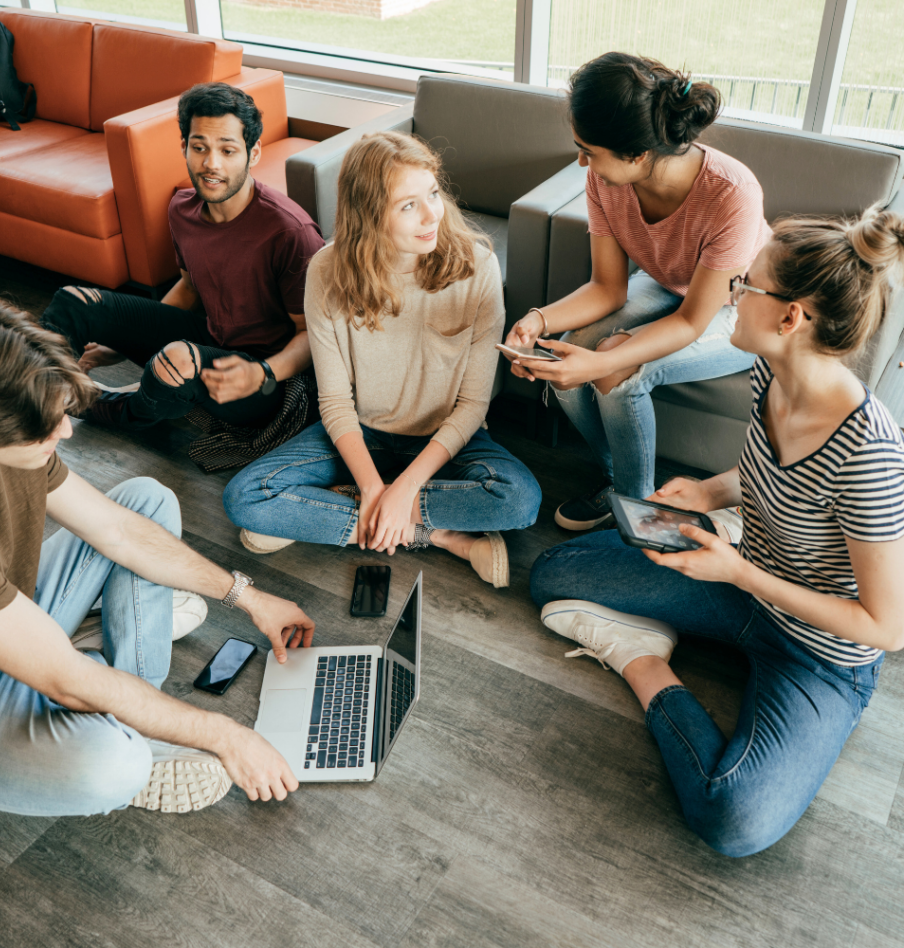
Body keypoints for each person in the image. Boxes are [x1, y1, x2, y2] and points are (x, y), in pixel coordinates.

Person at [529, 207, 904, 856]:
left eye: (746, 286)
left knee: (736, 821)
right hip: (740, 581)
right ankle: (664, 620)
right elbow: (764, 469)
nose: (732, 295)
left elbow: (885, 628)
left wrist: (739, 572)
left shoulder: (871, 456)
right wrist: (710, 490)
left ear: (791, 318)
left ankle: (641, 661)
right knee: (552, 574)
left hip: (817, 653)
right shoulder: (773, 369)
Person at [0, 295, 317, 835]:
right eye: (48, 426)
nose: (65, 432)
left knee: (146, 501)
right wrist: (224, 734)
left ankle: (128, 700)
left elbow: (117, 530)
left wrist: (248, 597)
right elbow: (64, 681)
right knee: (114, 767)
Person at [222, 132, 541, 587]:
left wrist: (406, 487)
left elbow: (472, 406)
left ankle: (338, 510)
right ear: (369, 215)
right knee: (244, 499)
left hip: (445, 438)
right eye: (408, 205)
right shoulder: (327, 272)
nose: (433, 214)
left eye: (432, 193)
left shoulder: (477, 266)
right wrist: (375, 489)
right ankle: (436, 535)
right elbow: (333, 401)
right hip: (362, 433)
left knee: (519, 502)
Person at [504, 52, 769, 530]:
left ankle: (642, 514)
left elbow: (693, 319)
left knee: (616, 373)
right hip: (669, 285)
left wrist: (605, 361)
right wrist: (538, 320)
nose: (582, 160)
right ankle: (618, 482)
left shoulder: (732, 194)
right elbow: (607, 289)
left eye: (589, 149)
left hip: (740, 306)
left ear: (639, 154)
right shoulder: (603, 180)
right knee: (569, 356)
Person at [41, 82, 325, 430]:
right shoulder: (182, 209)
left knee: (174, 361)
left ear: (253, 154)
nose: (211, 164)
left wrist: (262, 373)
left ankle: (95, 407)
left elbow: (313, 333)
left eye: (228, 150)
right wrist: (120, 344)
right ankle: (39, 401)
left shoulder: (290, 232)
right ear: (184, 147)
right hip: (207, 337)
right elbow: (190, 289)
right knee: (71, 301)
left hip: (261, 378)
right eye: (199, 147)